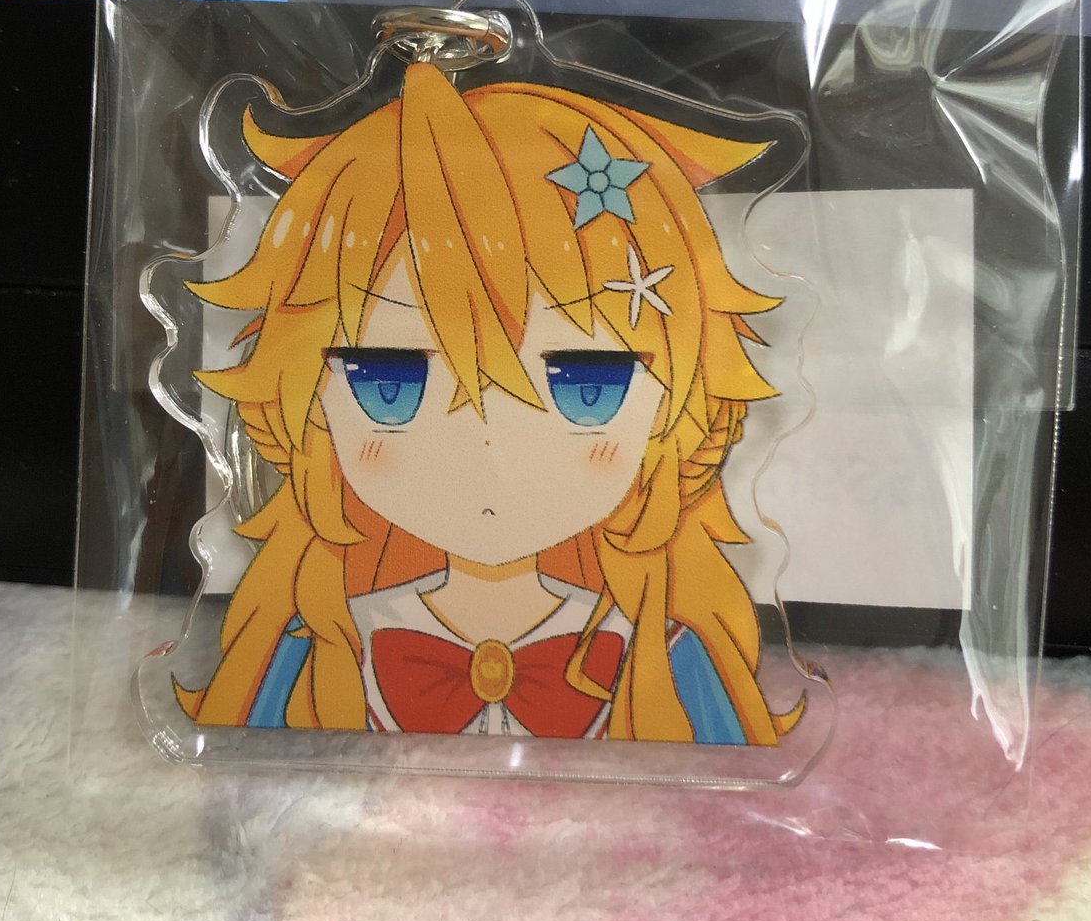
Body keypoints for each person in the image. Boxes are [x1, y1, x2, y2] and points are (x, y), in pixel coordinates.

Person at [176, 61, 803, 744]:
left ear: (681, 416)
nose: (486, 447)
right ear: (305, 408)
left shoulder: (669, 659)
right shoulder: (316, 646)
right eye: (390, 385)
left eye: (586, 389)